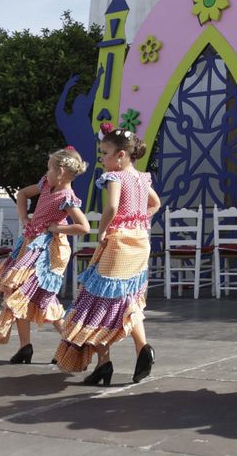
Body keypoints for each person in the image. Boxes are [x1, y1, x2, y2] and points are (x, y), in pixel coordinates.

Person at [56, 124, 161, 385]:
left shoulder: (115, 177)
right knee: (127, 298)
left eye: (105, 153)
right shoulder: (142, 178)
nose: (102, 158)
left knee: (98, 301)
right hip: (140, 241)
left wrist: (103, 230)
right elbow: (155, 203)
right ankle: (141, 349)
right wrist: (139, 220)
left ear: (121, 155)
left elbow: (112, 207)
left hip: (119, 243)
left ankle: (105, 362)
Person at [0, 147, 90, 364]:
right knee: (18, 290)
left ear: (60, 172)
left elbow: (83, 226)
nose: (46, 173)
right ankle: (25, 346)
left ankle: (71, 343)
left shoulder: (67, 197)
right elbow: (22, 193)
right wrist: (25, 218)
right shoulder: (46, 184)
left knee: (42, 296)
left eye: (49, 169)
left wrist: (56, 228)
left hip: (50, 250)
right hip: (31, 244)